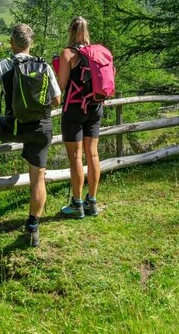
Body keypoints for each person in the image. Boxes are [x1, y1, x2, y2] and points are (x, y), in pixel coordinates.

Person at [0, 23, 61, 247]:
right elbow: (57, 100)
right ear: (31, 43)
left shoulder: (3, 65)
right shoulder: (44, 65)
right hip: (41, 128)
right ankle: (32, 227)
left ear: (11, 43)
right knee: (38, 179)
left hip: (15, 128)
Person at [57, 16, 103, 218]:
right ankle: (91, 201)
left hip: (74, 109)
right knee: (92, 154)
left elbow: (62, 85)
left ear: (70, 31)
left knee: (76, 157)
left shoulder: (68, 53)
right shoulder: (96, 53)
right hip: (95, 107)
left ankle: (76, 205)